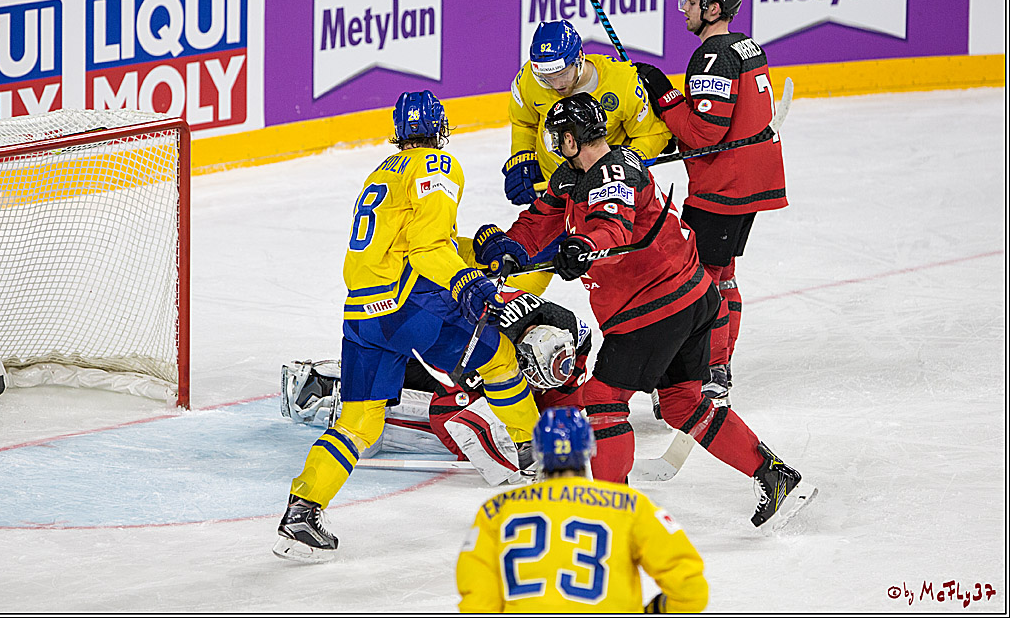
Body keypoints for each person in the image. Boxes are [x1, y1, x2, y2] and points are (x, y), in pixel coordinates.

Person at [474, 92, 815, 529]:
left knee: (601, 399)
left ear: (573, 139)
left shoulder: (616, 172)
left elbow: (612, 226)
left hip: (653, 308)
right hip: (691, 297)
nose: (556, 145)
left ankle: (611, 514)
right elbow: (539, 219)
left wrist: (582, 245)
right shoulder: (574, 176)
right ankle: (774, 474)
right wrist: (508, 248)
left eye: (560, 138)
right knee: (683, 403)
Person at [272, 91, 540, 563]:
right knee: (499, 358)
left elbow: (416, 240)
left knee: (358, 423)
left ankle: (302, 512)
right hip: (409, 308)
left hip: (362, 314)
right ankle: (536, 452)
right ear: (441, 129)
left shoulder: (383, 171)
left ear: (397, 132)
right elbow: (425, 249)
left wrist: (478, 248)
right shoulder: (438, 165)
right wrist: (466, 280)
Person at [636, 0, 788, 407]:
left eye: (691, 0)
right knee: (722, 276)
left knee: (698, 281)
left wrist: (665, 98)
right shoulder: (746, 45)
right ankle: (717, 366)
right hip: (752, 183)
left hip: (724, 188)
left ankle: (710, 371)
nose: (683, 7)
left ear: (713, 8)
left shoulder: (712, 57)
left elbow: (704, 134)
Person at [281, 287, 593, 486]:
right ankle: (331, 392)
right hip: (426, 343)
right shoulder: (485, 349)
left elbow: (568, 402)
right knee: (463, 412)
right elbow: (448, 414)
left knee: (513, 405)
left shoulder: (572, 331)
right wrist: (516, 450)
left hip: (427, 314)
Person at [455, 406, 709, 613]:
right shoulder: (631, 506)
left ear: (539, 450)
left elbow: (476, 601)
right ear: (589, 448)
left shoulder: (495, 511)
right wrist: (656, 609)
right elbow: (691, 591)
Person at [501, 19, 674, 295]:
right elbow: (523, 121)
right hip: (555, 192)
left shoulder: (621, 83)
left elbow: (654, 134)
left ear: (579, 59)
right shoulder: (529, 80)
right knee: (529, 263)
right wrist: (521, 157)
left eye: (562, 74)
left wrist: (621, 163)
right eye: (546, 77)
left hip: (602, 195)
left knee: (611, 271)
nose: (555, 84)